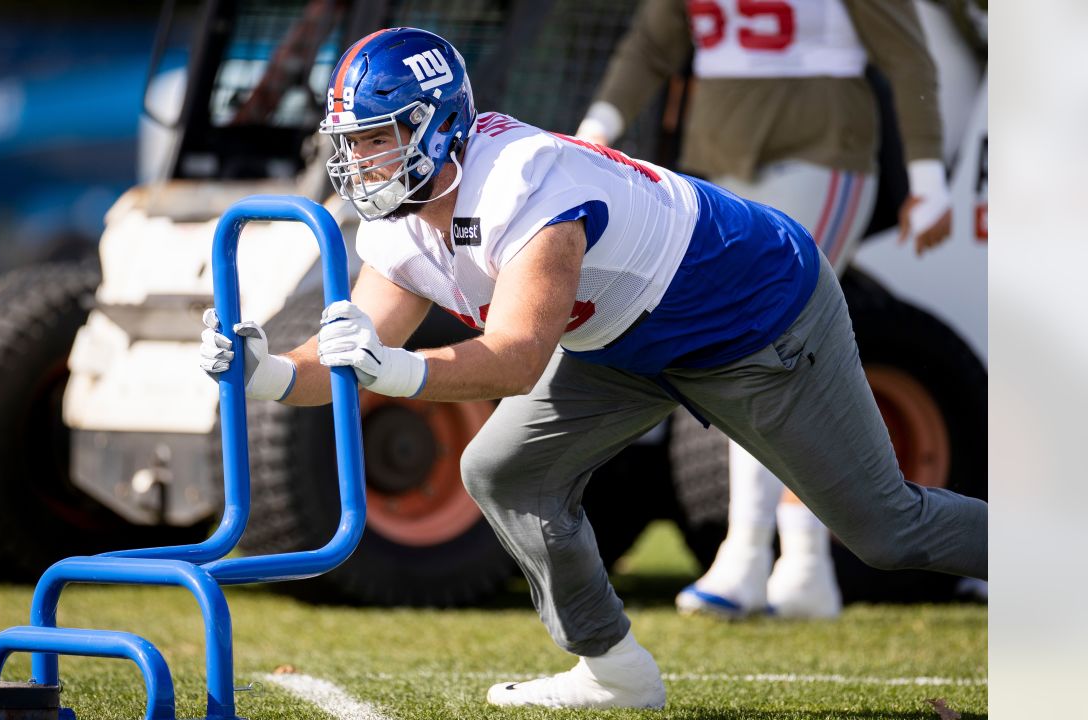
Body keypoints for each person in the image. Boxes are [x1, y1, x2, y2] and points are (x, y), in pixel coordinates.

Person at [199, 27, 986, 709]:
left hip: (753, 312)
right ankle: (613, 669)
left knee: (886, 530)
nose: (360, 160)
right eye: (353, 142)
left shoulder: (525, 186)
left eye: (377, 137)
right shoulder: (401, 228)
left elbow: (514, 359)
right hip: (623, 339)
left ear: (436, 127)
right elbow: (341, 359)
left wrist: (398, 371)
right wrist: (262, 369)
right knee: (504, 471)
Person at [575, 0, 954, 619]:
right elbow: (652, 45)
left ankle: (748, 552)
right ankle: (803, 562)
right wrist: (595, 132)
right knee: (754, 352)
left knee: (758, 338)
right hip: (718, 161)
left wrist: (928, 177)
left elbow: (906, 54)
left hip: (823, 151)